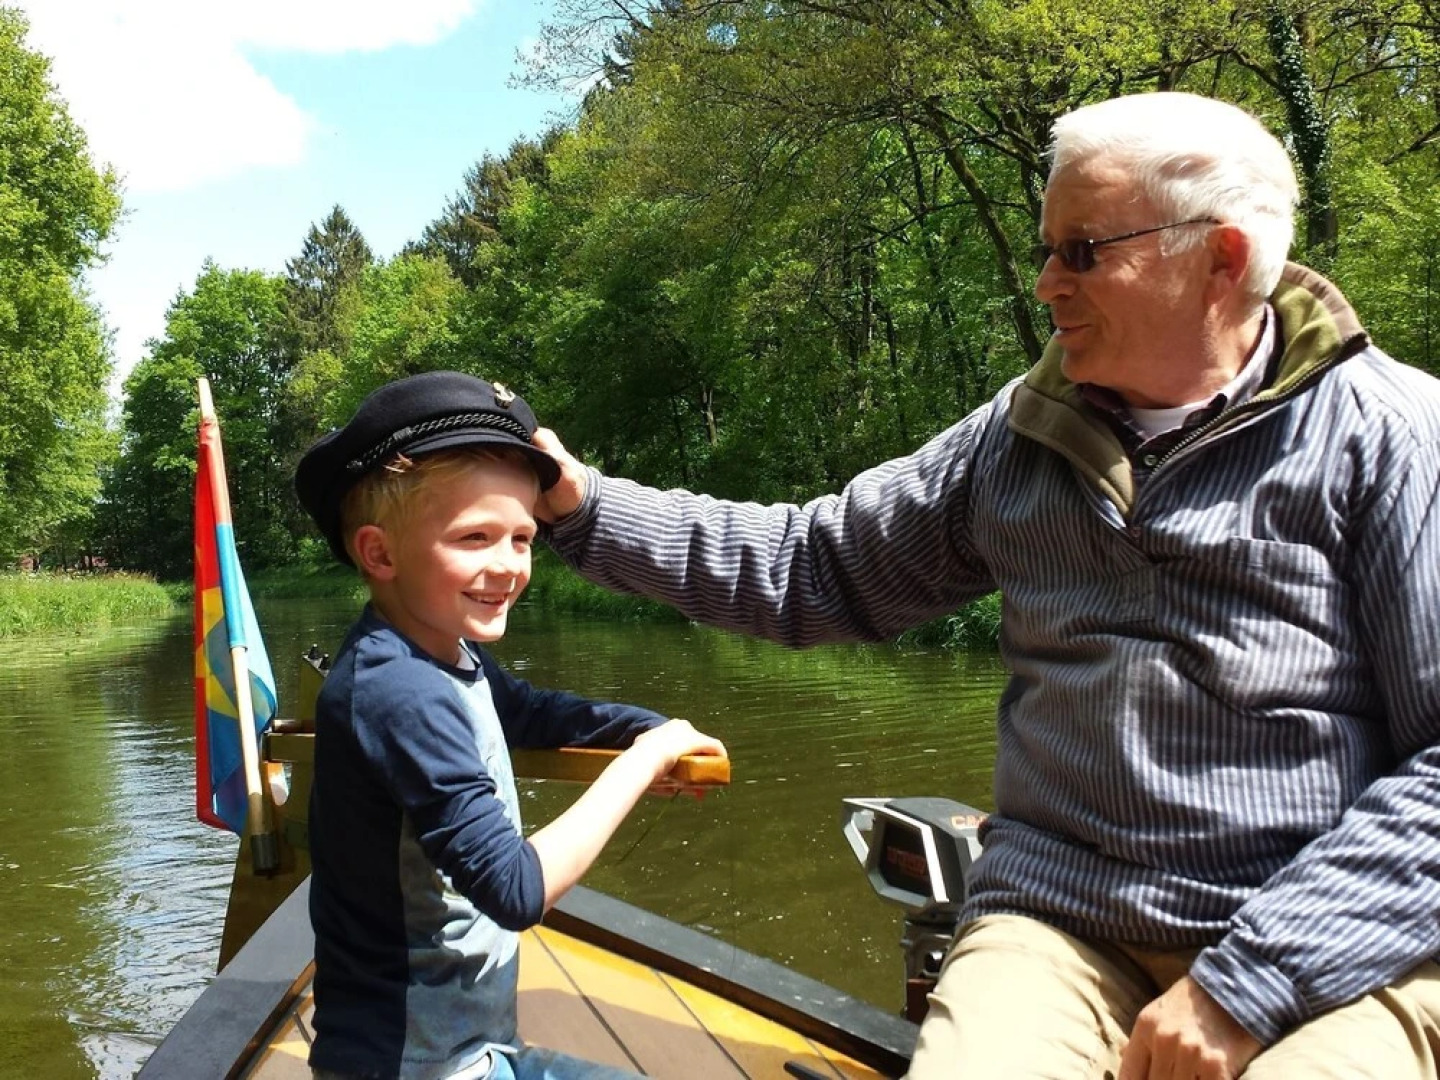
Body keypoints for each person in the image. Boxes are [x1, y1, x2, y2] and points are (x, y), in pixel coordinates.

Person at [531, 91, 1440, 1079]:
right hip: (1062, 925)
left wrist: (1247, 985)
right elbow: (811, 569)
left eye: (1082, 250)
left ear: (1218, 258)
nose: (1046, 282)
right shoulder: (1019, 435)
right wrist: (581, 507)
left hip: (1333, 939)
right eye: (1045, 247)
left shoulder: (1391, 439)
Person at [293, 370, 727, 1080]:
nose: (507, 566)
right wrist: (642, 762)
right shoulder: (396, 689)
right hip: (411, 1065)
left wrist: (653, 729)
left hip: (463, 1050)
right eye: (475, 538)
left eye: (522, 538)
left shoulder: (435, 651)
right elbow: (516, 889)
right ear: (379, 554)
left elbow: (529, 712)